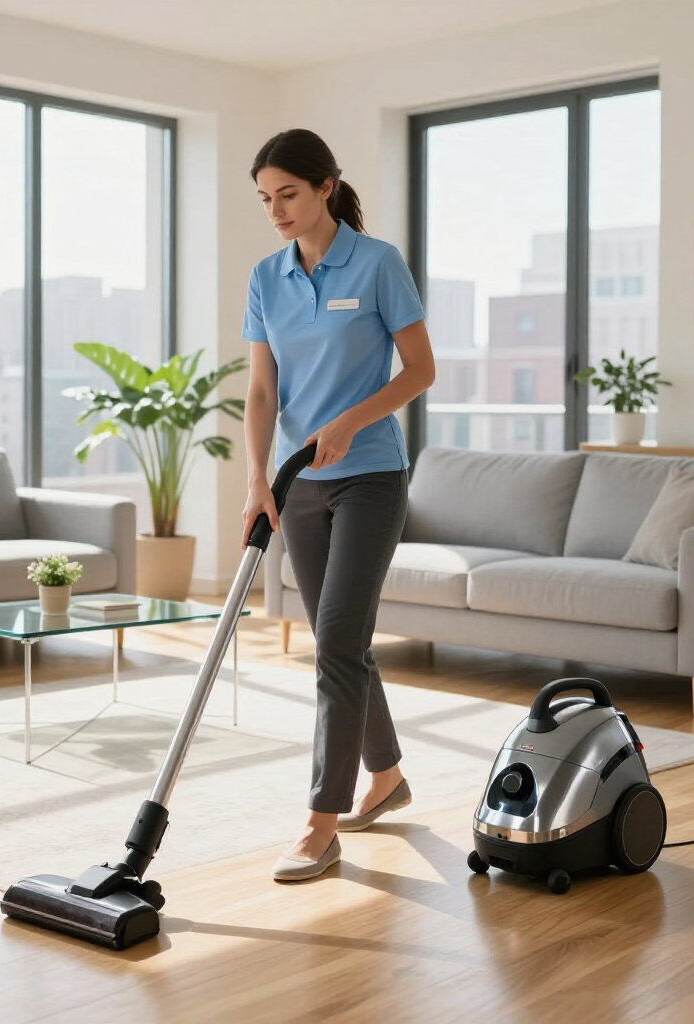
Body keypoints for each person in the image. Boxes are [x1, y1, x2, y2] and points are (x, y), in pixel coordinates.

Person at [241, 129, 435, 882]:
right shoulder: (266, 276)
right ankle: (385, 777)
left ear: (326, 187)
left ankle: (321, 824)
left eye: (288, 193)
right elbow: (262, 390)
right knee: (338, 646)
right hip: (299, 484)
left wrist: (353, 420)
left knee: (337, 643)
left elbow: (420, 369)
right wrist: (258, 479)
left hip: (371, 477)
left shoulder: (379, 263)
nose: (276, 210)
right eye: (265, 198)